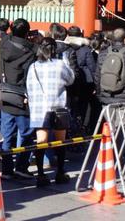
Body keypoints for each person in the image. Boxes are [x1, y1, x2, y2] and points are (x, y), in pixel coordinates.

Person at [26, 38, 75, 186]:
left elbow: (29, 87)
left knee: (41, 142)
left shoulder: (33, 66)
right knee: (60, 142)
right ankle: (60, 173)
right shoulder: (60, 65)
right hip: (58, 107)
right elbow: (71, 79)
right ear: (54, 50)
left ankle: (41, 174)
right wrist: (66, 61)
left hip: (40, 109)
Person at [0, 18, 37, 178]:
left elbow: (6, 36)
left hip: (6, 93)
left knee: (6, 134)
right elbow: (29, 75)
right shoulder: (31, 51)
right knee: (26, 133)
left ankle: (6, 169)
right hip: (22, 95)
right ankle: (21, 166)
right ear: (27, 33)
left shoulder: (4, 44)